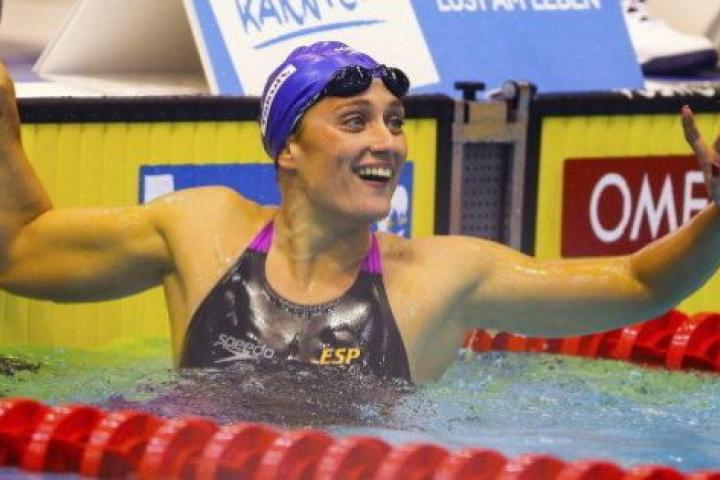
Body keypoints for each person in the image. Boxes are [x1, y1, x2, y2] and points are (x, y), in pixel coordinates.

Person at [1, 42, 719, 383]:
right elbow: (21, 251)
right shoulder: (200, 230)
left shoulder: (439, 278)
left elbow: (637, 284)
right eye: (355, 121)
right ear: (288, 147)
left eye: (395, 121)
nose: (387, 142)